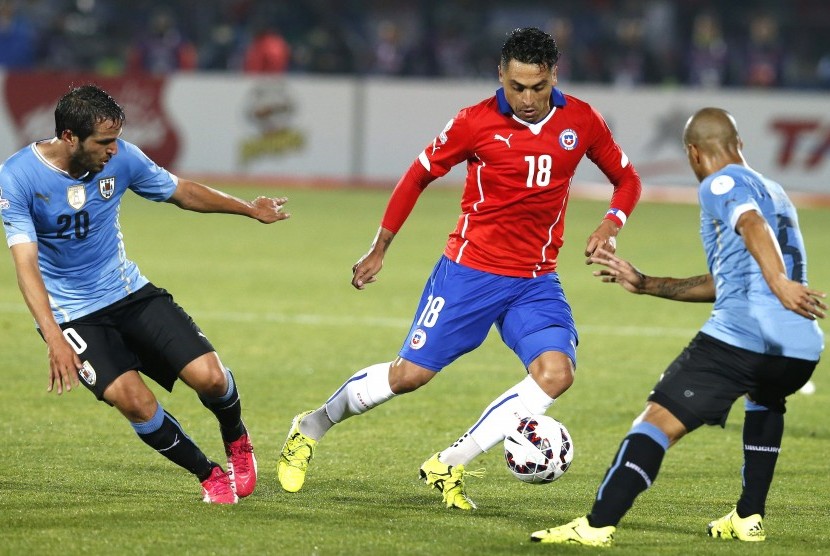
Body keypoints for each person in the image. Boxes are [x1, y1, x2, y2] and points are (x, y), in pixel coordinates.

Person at [277, 27, 642, 510]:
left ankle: (449, 463)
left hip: (535, 281)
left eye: (538, 87)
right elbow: (418, 175)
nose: (528, 98)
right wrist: (379, 246)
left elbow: (627, 179)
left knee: (556, 372)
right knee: (408, 376)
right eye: (517, 87)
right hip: (469, 273)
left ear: (554, 75)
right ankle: (310, 427)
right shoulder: (475, 123)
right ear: (501, 76)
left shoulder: (582, 120)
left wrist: (611, 224)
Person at [530, 107, 825, 546]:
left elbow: (750, 223)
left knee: (655, 423)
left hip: (745, 338)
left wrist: (779, 283)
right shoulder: (776, 192)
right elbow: (726, 280)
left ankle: (595, 526)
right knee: (765, 399)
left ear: (693, 153)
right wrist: (646, 283)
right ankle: (748, 517)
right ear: (739, 143)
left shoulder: (719, 183)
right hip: (799, 350)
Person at [0, 85, 290, 504]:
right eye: (104, 142)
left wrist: (248, 208)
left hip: (128, 291)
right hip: (73, 315)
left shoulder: (124, 159)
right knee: (133, 402)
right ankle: (207, 474)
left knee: (210, 378)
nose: (113, 150)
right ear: (69, 138)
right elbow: (25, 265)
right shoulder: (18, 177)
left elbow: (181, 191)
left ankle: (237, 439)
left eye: (116, 138)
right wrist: (53, 336)